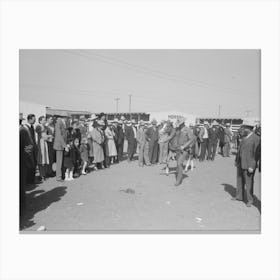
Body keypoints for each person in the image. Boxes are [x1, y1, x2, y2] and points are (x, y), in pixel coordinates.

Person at [232, 123, 260, 207]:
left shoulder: (256, 138)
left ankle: (250, 200)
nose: (242, 130)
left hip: (249, 164)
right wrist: (236, 160)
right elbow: (239, 150)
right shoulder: (244, 137)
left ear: (249, 129)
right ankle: (239, 196)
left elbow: (256, 154)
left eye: (244, 129)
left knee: (249, 183)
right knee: (239, 180)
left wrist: (252, 166)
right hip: (240, 163)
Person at [19, 113, 35, 219]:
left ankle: (21, 210)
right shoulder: (23, 130)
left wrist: (25, 159)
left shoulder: (22, 130)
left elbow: (28, 146)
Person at [174, 120, 196, 186]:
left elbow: (192, 139)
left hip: (185, 150)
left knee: (179, 163)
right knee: (178, 164)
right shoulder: (178, 129)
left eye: (180, 124)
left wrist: (184, 146)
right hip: (177, 149)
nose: (179, 125)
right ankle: (179, 175)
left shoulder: (187, 130)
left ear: (183, 123)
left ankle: (178, 180)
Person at [35, 116, 51, 180]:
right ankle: (41, 175)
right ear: (40, 121)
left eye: (45, 120)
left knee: (44, 160)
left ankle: (43, 174)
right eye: (44, 120)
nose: (45, 121)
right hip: (40, 144)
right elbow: (43, 136)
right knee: (41, 160)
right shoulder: (39, 126)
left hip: (44, 144)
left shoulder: (44, 126)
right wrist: (48, 136)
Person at [53, 114, 67, 182]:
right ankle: (58, 177)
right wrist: (65, 145)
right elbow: (59, 136)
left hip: (61, 144)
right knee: (59, 162)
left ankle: (61, 175)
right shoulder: (59, 123)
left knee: (61, 161)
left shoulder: (61, 123)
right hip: (59, 145)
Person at [24, 114, 37, 184]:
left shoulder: (32, 127)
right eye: (33, 119)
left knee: (34, 163)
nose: (35, 120)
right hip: (28, 148)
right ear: (29, 119)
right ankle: (27, 180)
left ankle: (32, 179)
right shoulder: (25, 128)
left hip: (33, 147)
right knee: (28, 163)